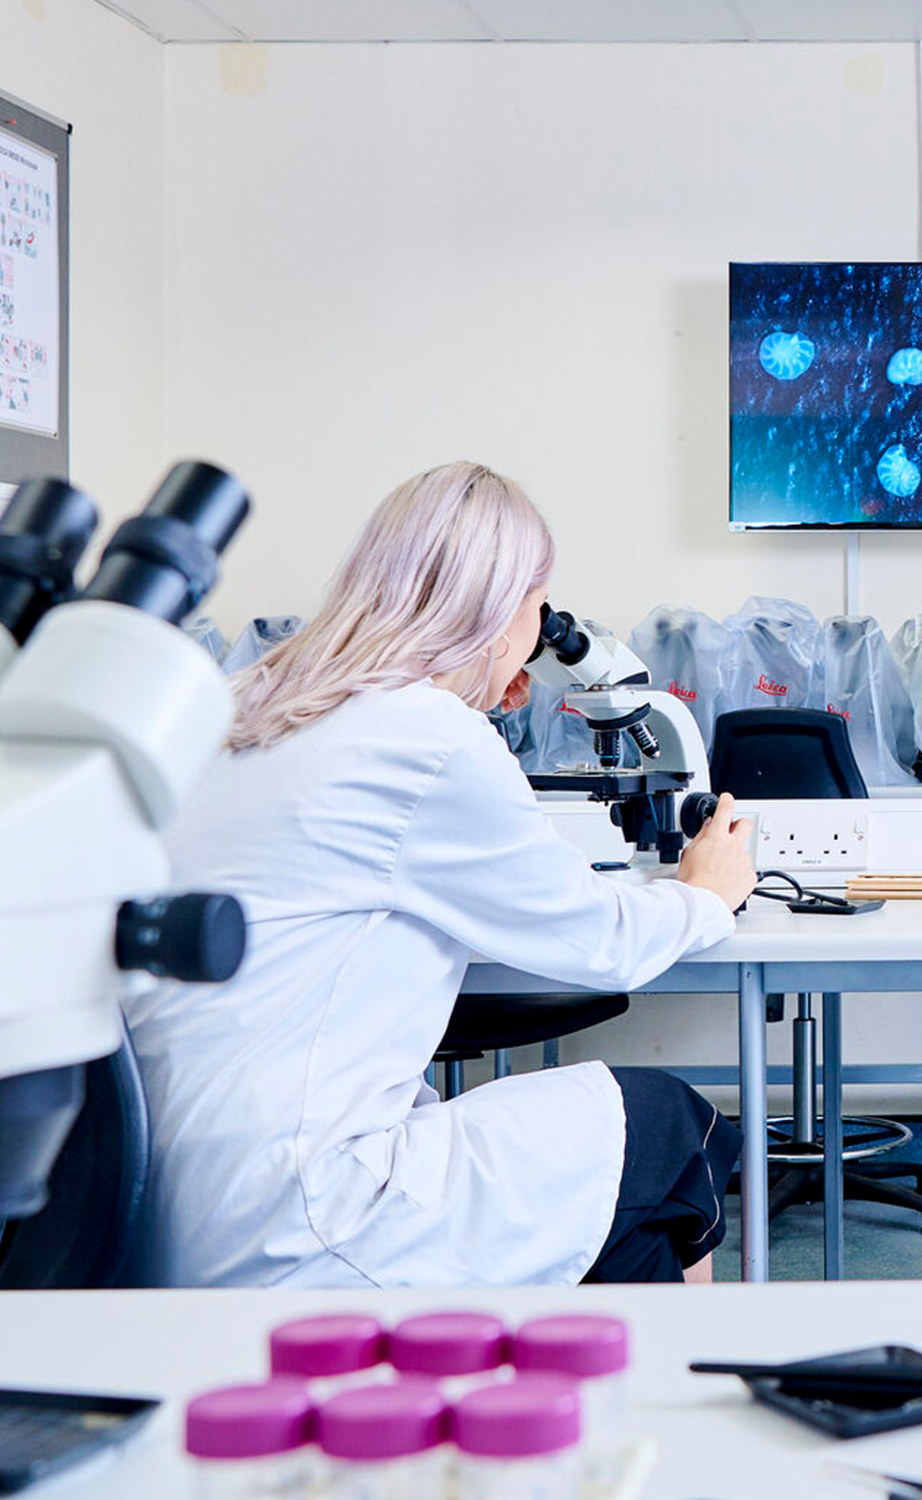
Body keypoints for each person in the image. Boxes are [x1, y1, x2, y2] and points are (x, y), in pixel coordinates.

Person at [124, 461, 762, 1288]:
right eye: (536, 612)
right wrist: (705, 893)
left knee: (628, 1224)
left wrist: (473, 692)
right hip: (303, 1211)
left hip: (164, 1206)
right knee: (676, 1130)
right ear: (501, 613)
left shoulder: (243, 697)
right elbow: (598, 941)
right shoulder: (425, 736)